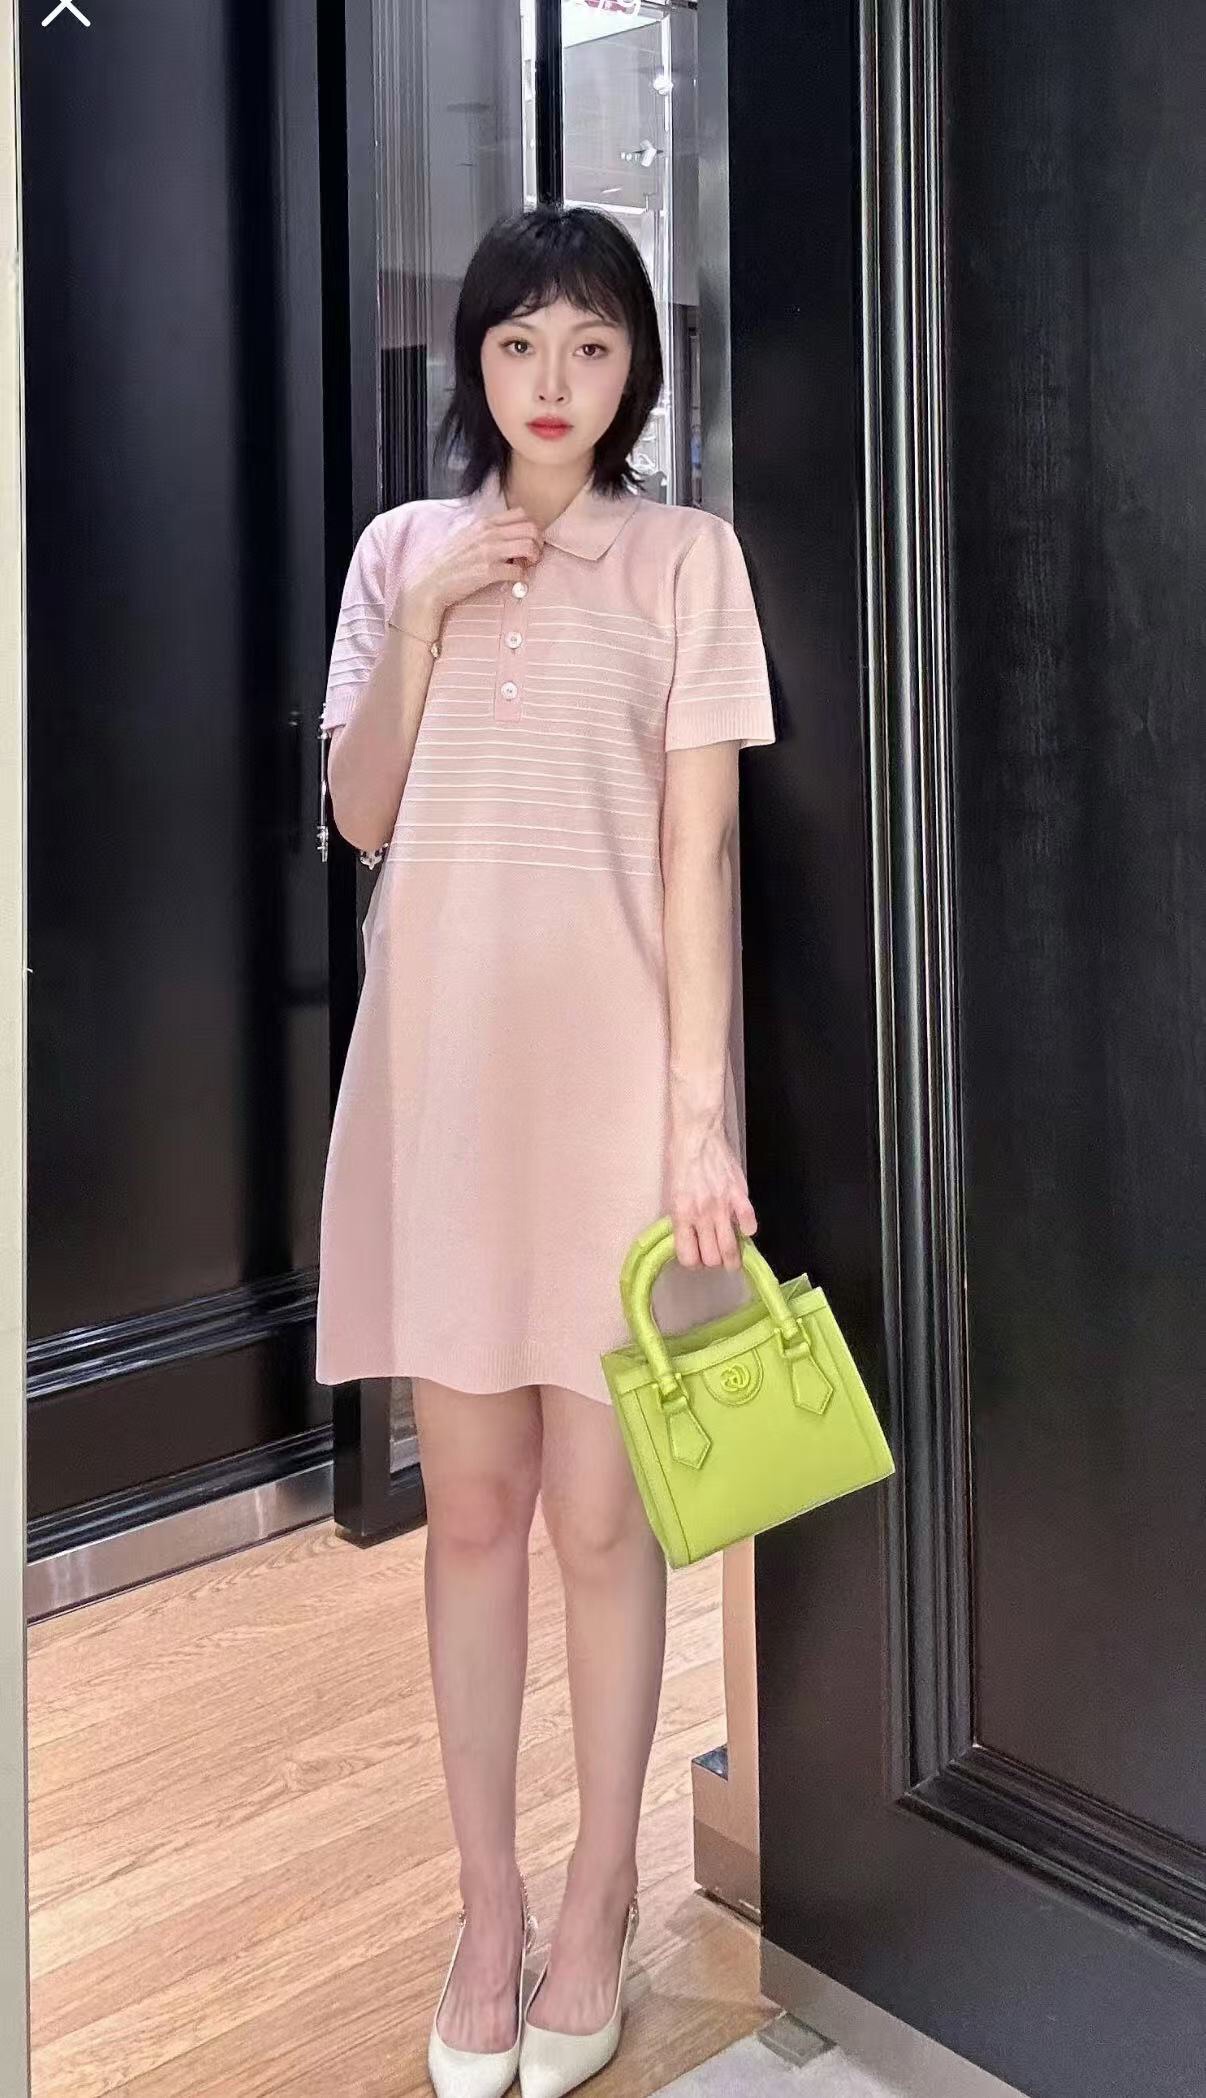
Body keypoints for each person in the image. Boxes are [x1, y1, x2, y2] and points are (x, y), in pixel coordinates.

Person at [315, 204, 777, 2098]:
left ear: (634, 365)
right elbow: (359, 817)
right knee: (475, 1509)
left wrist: (696, 1117)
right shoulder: (398, 553)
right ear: (475, 365)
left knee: (603, 1515)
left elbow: (698, 850)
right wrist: (430, 615)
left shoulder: (684, 559)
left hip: (613, 1097)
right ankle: (486, 1905)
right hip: (441, 1085)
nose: (553, 383)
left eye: (590, 345)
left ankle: (598, 1892)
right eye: (518, 345)